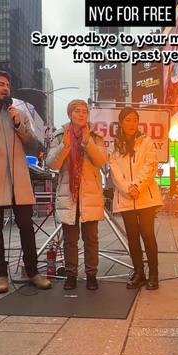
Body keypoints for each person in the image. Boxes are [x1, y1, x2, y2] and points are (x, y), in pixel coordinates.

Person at [0, 70, 52, 293]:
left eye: (8, 85)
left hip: (19, 179)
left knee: (25, 225)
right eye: (0, 84)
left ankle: (33, 271)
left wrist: (19, 123)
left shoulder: (17, 112)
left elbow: (33, 144)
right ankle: (1, 274)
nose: (5, 88)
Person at [46, 100, 108, 290]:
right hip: (69, 194)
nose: (81, 114)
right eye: (77, 111)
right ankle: (71, 275)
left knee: (91, 238)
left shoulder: (96, 136)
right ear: (70, 114)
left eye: (84, 111)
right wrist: (64, 147)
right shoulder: (59, 135)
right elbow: (52, 164)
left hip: (90, 194)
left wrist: (87, 142)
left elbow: (101, 161)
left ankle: (91, 275)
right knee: (70, 240)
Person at [109, 107, 163, 290]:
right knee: (132, 237)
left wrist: (137, 186)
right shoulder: (116, 145)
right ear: (121, 123)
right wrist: (127, 189)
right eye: (128, 120)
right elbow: (114, 171)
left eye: (134, 120)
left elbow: (151, 165)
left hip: (145, 196)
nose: (132, 124)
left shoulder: (146, 141)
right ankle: (139, 273)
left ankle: (153, 274)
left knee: (147, 235)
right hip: (126, 199)